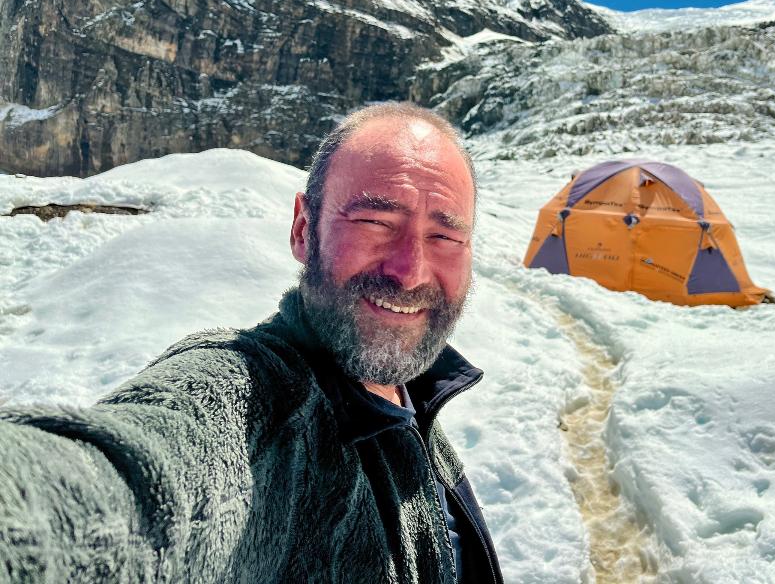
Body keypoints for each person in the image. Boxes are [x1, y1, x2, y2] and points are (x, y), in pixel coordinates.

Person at [0, 102, 503, 584]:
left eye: (445, 237)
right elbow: (119, 490)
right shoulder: (255, 403)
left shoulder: (415, 390)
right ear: (304, 229)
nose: (411, 272)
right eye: (375, 222)